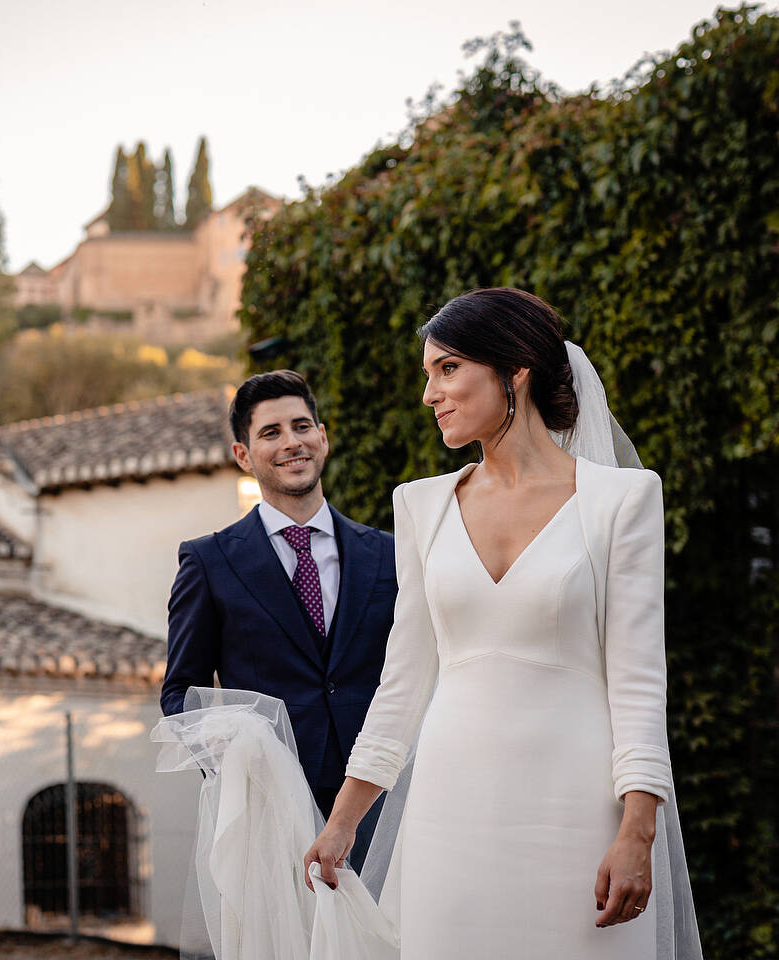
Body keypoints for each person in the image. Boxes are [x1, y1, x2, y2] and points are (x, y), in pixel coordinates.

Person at [299, 288, 702, 959]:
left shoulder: (623, 500)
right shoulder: (421, 506)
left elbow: (638, 680)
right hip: (449, 808)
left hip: (575, 806)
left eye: (449, 368)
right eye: (428, 374)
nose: (431, 393)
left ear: (515, 370)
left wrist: (638, 832)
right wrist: (343, 822)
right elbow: (401, 684)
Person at [162, 370, 394, 873]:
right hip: (270, 811)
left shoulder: (389, 554)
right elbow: (181, 692)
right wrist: (234, 760)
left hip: (380, 805)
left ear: (323, 437)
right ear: (243, 455)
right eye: (271, 433)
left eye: (301, 426)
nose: (292, 443)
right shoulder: (208, 562)